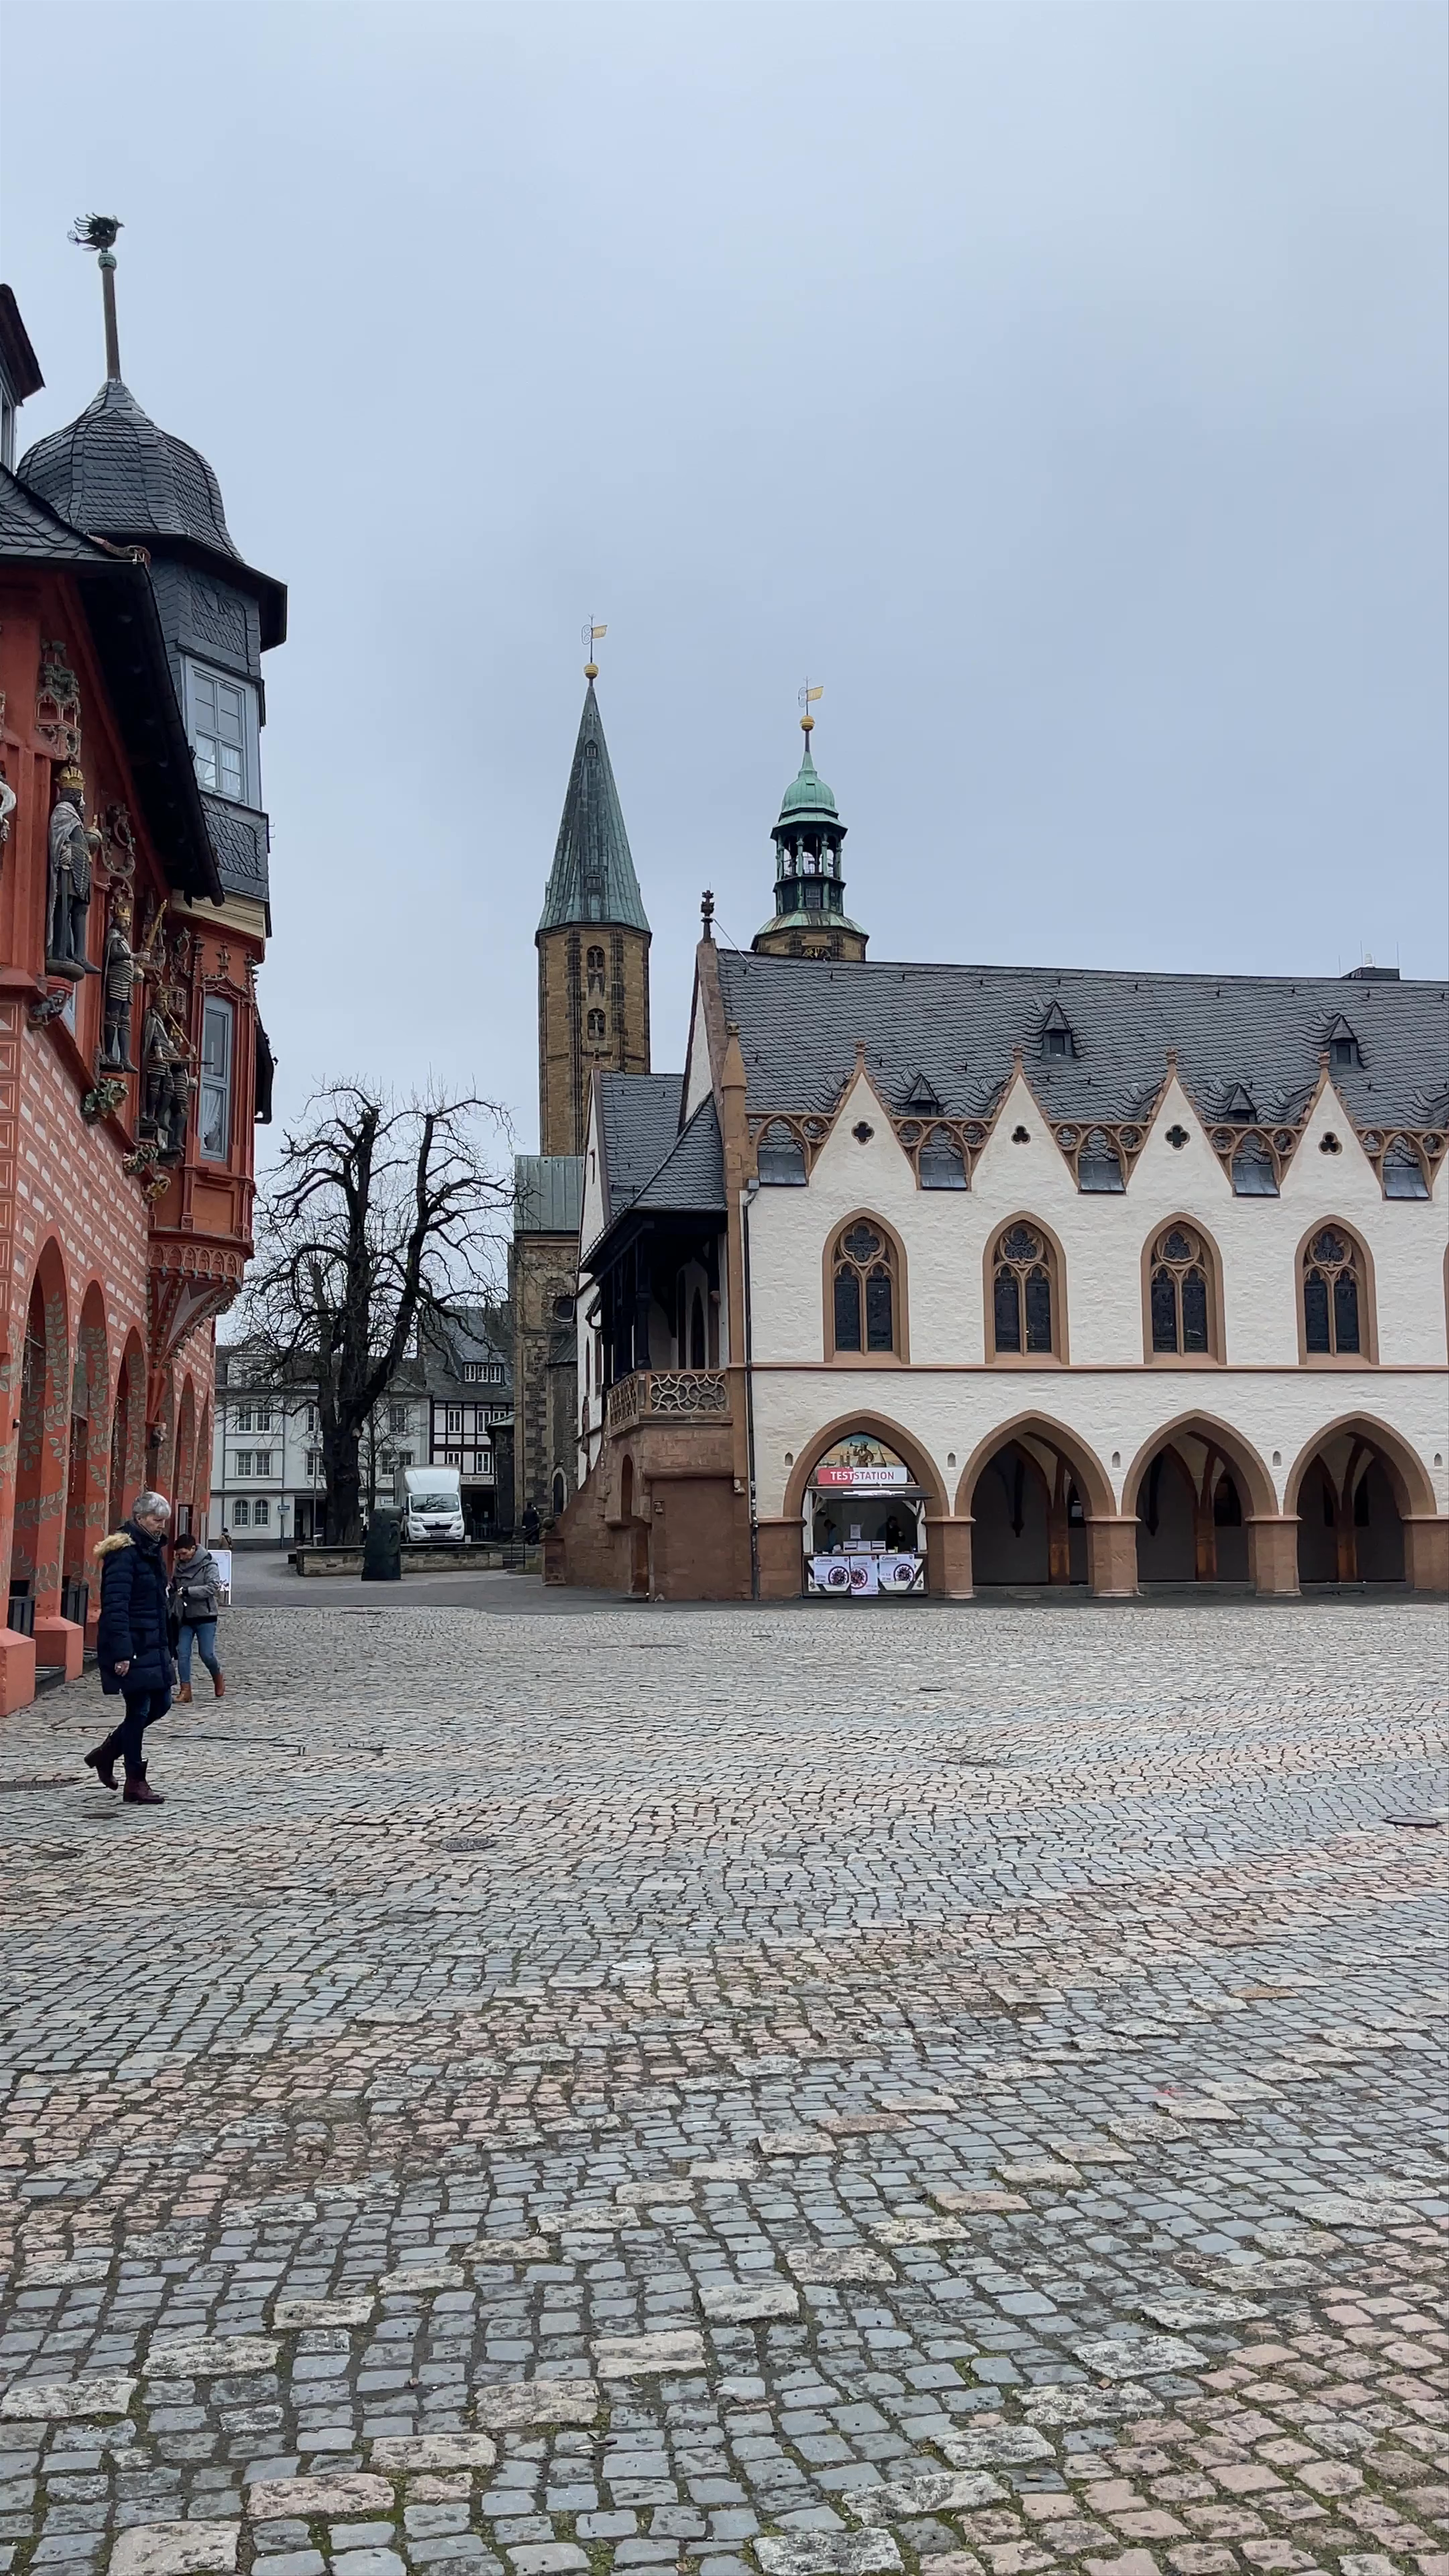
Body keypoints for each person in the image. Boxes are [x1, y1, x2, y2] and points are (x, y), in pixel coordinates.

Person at [85, 1489, 176, 1806]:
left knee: (162, 1703)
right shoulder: (124, 1553)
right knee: (138, 1710)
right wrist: (122, 1652)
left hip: (154, 1641)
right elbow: (116, 1605)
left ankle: (107, 1752)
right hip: (134, 1644)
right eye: (156, 1520)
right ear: (139, 1518)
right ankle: (135, 1782)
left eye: (164, 1521)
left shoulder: (149, 1549)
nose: (161, 1527)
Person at [168, 1531, 226, 1702]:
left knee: (206, 1654)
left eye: (184, 1554)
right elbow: (176, 1584)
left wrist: (188, 1592)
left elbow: (213, 1587)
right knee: (182, 1652)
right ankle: (186, 1691)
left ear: (193, 1549)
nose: (181, 1557)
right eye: (179, 1554)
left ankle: (218, 1676)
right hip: (185, 1617)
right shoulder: (179, 1565)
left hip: (205, 1616)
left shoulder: (208, 1564)